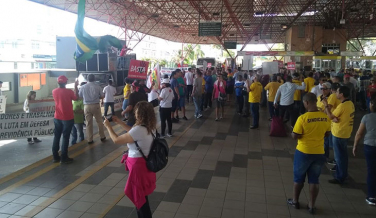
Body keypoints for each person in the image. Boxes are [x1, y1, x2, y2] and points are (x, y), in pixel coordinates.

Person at [103, 102, 156, 218]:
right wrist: (120, 122)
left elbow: (116, 140)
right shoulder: (149, 127)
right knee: (142, 196)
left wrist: (108, 126)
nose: (135, 113)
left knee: (140, 199)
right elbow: (133, 132)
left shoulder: (139, 130)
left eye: (136, 111)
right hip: (144, 165)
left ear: (140, 114)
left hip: (138, 168)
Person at [287, 93, 331, 214]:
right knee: (314, 180)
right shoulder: (325, 117)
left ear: (306, 102)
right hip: (319, 152)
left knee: (298, 178)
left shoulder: (303, 118)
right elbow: (327, 133)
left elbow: (295, 136)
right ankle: (312, 206)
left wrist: (293, 133)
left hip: (303, 152)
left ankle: (295, 201)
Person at [322, 86, 355, 184]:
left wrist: (326, 105)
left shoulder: (342, 106)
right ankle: (343, 173)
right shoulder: (350, 104)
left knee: (339, 156)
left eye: (337, 92)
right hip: (346, 132)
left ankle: (340, 177)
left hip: (339, 133)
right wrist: (334, 118)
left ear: (342, 94)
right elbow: (335, 117)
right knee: (343, 155)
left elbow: (331, 116)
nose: (335, 93)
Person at [353, 97, 376, 205]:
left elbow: (359, 133)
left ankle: (371, 196)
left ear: (372, 105)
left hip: (370, 146)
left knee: (371, 171)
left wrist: (355, 146)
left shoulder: (367, 117)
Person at [52, 75, 79, 164]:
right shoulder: (69, 92)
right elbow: (76, 98)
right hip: (67, 117)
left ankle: (55, 157)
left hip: (57, 117)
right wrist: (76, 87)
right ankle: (64, 157)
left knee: (57, 136)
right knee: (65, 137)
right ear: (66, 82)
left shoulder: (54, 91)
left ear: (58, 82)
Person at [79, 74, 106, 144]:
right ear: (94, 79)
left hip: (87, 106)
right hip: (96, 105)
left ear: (87, 79)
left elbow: (80, 96)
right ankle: (102, 136)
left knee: (88, 123)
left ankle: (90, 139)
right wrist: (97, 97)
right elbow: (102, 96)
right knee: (99, 121)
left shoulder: (83, 87)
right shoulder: (98, 86)